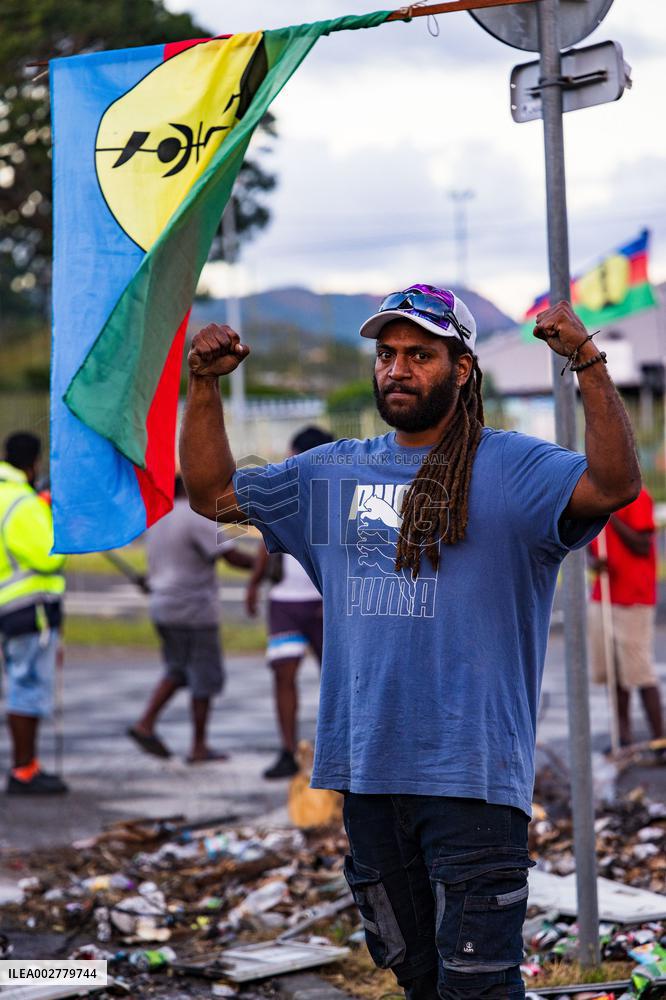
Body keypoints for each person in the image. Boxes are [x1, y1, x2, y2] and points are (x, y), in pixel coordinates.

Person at [179, 285, 639, 1000]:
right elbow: (212, 493)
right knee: (418, 983)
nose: (397, 369)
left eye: (419, 355)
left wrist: (587, 363)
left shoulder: (515, 469)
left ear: (461, 370)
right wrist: (202, 387)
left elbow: (615, 483)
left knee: (477, 991)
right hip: (366, 781)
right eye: (387, 354)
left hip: (473, 787)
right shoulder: (330, 474)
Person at [128, 475, 253, 763]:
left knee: (178, 669)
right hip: (192, 609)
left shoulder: (160, 519)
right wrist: (264, 564)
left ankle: (145, 724)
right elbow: (230, 556)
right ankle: (198, 747)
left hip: (163, 606)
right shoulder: (197, 518)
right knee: (203, 678)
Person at [246, 426, 333, 780]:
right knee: (284, 676)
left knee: (338, 679)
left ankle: (340, 751)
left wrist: (335, 597)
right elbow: (267, 543)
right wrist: (254, 584)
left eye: (291, 453)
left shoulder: (336, 496)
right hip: (284, 601)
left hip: (321, 604)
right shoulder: (281, 496)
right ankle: (287, 751)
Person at [0, 432, 67, 795]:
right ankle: (24, 770)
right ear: (34, 462)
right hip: (30, 609)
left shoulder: (3, 494)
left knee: (19, 686)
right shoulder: (23, 503)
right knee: (27, 689)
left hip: (8, 607)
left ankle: (26, 766)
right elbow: (47, 555)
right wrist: (48, 512)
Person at [588, 487, 663, 749]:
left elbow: (643, 545)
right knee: (613, 671)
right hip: (604, 595)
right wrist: (595, 563)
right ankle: (623, 737)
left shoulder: (637, 496)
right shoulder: (594, 499)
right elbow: (591, 548)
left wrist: (611, 516)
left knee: (638, 671)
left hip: (634, 596)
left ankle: (659, 738)